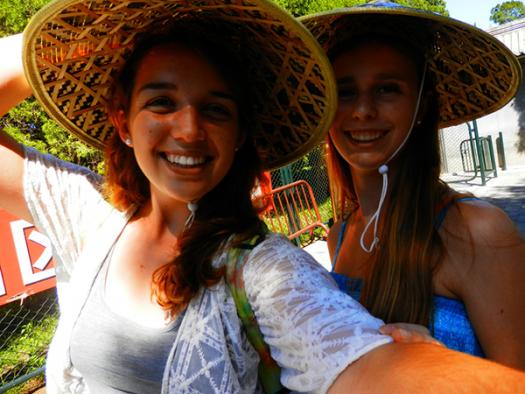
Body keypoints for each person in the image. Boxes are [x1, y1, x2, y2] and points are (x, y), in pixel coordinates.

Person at [1, 1, 525, 393]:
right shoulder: (343, 229)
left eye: (215, 109)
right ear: (123, 119)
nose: (187, 129)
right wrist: (97, 31)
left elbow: (351, 354)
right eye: (161, 101)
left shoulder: (268, 268)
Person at [301, 0, 525, 369]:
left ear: (421, 106)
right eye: (345, 92)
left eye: (387, 89)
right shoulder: (338, 236)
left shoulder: (477, 233)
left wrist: (443, 371)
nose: (362, 111)